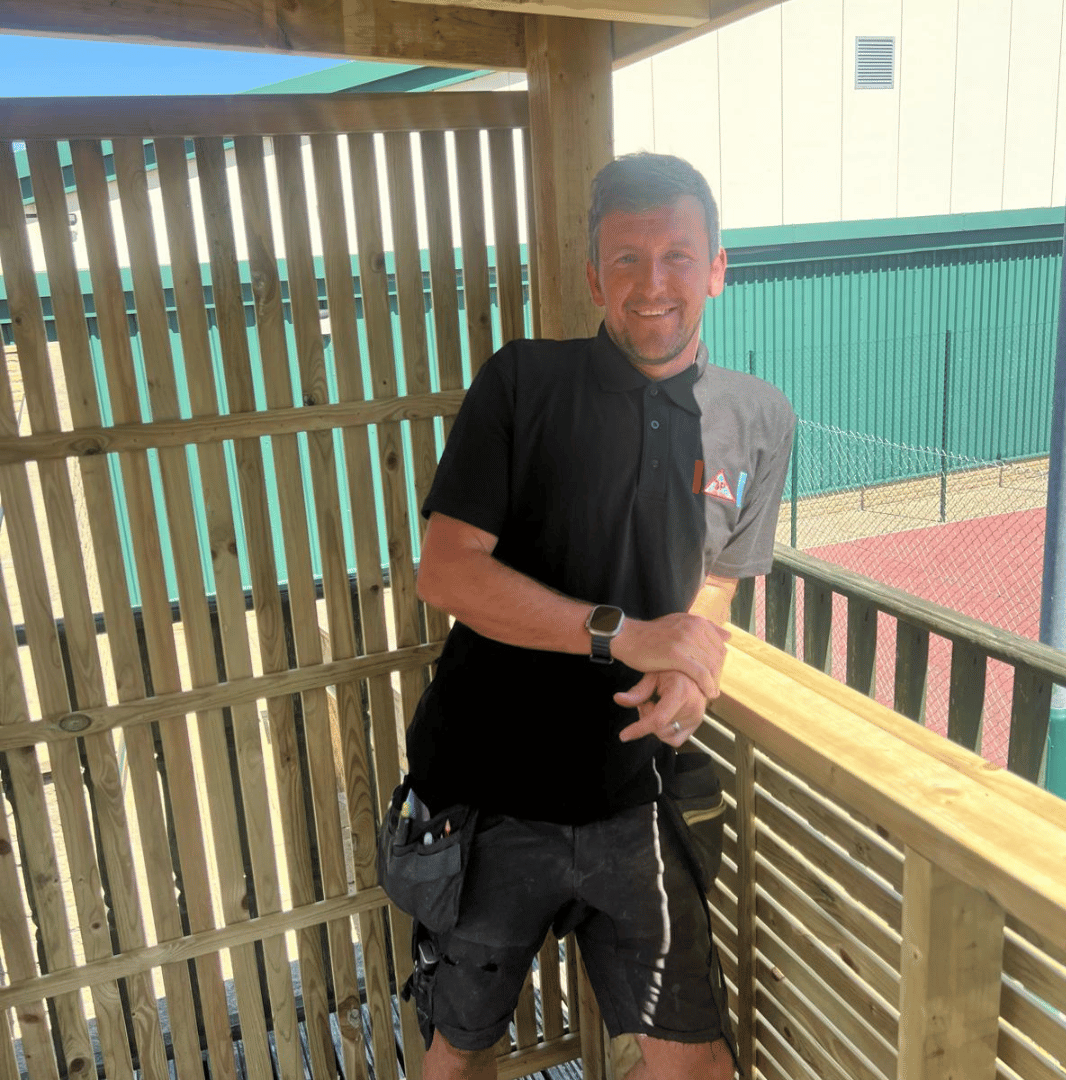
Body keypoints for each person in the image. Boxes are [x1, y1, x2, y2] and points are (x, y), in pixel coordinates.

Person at [402, 152, 795, 1080]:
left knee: (697, 1067)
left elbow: (720, 579)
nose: (653, 283)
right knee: (459, 1056)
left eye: (677, 255)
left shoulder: (759, 419)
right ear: (593, 278)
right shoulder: (524, 383)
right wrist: (628, 635)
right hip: (487, 799)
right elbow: (446, 572)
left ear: (717, 268)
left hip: (635, 799)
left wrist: (689, 664)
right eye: (627, 259)